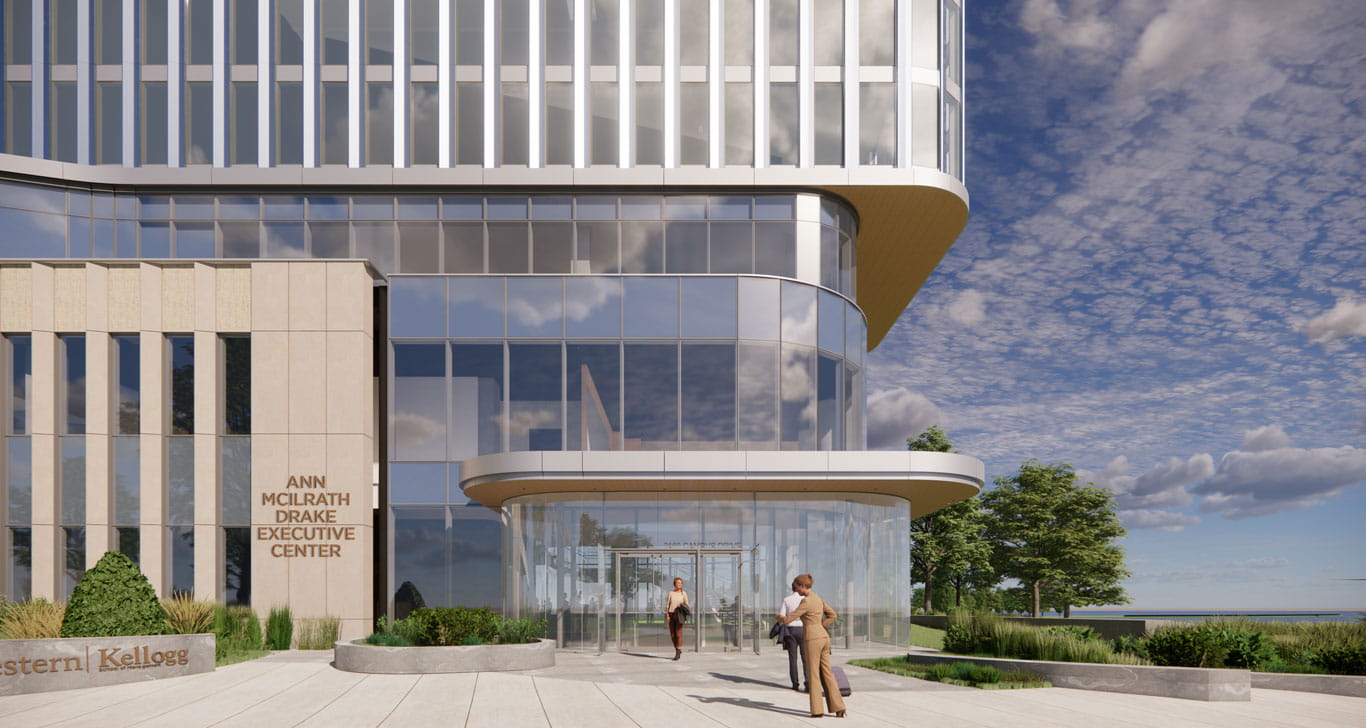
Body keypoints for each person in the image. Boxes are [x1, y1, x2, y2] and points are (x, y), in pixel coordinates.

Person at [776, 574, 846, 718]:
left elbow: (789, 618)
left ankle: (817, 710)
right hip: (824, 638)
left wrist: (780, 618)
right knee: (827, 672)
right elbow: (833, 615)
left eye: (796, 587)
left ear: (802, 586)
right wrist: (820, 625)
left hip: (813, 639)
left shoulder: (806, 602)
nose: (796, 590)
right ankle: (839, 707)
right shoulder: (818, 599)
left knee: (813, 674)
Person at [779, 578, 808, 692]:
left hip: (790, 630)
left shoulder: (787, 600)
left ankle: (795, 683)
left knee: (793, 658)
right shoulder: (805, 599)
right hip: (802, 629)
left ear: (792, 588)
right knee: (805, 658)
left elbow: (782, 616)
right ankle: (808, 682)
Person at [665, 576, 690, 660]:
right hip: (671, 614)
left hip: (679, 615)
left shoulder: (684, 593)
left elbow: (687, 605)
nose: (679, 584)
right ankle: (677, 649)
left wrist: (682, 606)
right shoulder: (671, 593)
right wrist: (667, 615)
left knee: (678, 634)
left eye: (680, 583)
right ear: (674, 584)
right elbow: (667, 605)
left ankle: (678, 652)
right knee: (672, 635)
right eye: (677, 583)